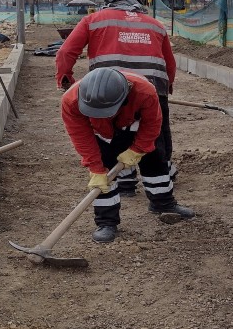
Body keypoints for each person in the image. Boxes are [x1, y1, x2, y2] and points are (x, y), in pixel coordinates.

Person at [55, 0, 179, 195]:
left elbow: (66, 52)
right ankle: (161, 178)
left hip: (105, 91)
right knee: (156, 136)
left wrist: (66, 79)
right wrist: (167, 87)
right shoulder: (156, 25)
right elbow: (170, 62)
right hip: (153, 91)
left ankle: (125, 183)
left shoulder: (94, 20)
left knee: (112, 135)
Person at [60, 67, 194, 243]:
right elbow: (80, 135)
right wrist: (95, 166)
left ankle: (164, 203)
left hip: (135, 126)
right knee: (103, 175)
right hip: (100, 134)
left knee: (156, 161)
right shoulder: (71, 101)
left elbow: (153, 124)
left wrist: (138, 149)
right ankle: (106, 222)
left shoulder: (144, 91)